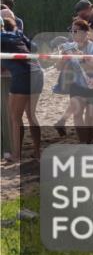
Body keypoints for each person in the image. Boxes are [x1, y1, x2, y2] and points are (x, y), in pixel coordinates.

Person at [1, 18, 42, 161]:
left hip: (22, 76)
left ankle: (16, 155)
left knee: (15, 117)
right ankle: (37, 152)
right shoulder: (18, 33)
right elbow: (34, 47)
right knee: (31, 115)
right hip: (37, 72)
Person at [60, 19, 93, 143]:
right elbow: (58, 67)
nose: (73, 34)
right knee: (77, 114)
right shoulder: (69, 46)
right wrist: (62, 58)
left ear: (85, 33)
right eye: (71, 31)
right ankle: (83, 143)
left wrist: (81, 58)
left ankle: (88, 143)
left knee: (90, 118)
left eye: (76, 31)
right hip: (77, 85)